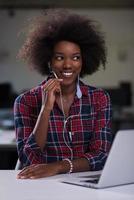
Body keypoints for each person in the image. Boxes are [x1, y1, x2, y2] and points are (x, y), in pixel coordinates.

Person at [14, 9, 112, 179]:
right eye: (60, 57)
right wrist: (45, 109)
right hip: (42, 185)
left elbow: (101, 155)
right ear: (49, 61)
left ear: (84, 60)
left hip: (85, 184)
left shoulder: (99, 99)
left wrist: (59, 167)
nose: (68, 65)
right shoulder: (25, 101)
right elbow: (29, 158)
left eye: (75, 58)